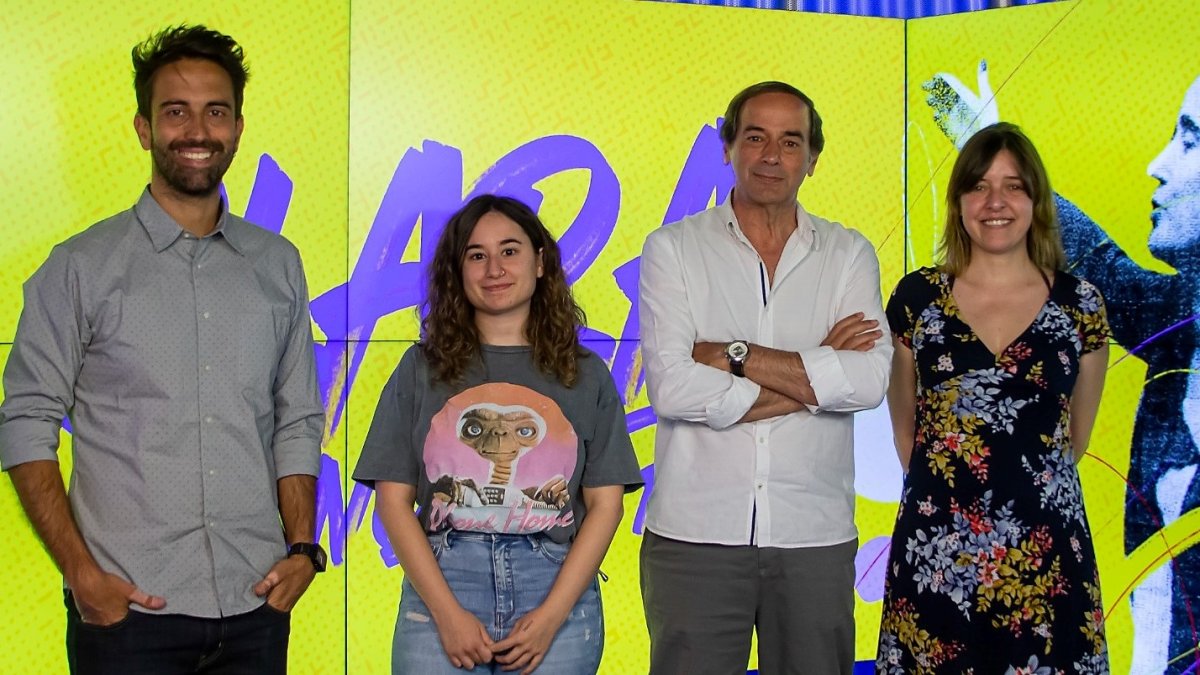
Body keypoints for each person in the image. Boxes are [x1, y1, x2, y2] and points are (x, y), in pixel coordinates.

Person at [0, 24, 326, 675]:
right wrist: (82, 574)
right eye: (175, 111)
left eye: (215, 111)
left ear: (236, 126)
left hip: (257, 604)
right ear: (144, 128)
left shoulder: (278, 265)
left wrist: (301, 549)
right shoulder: (80, 267)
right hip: (127, 616)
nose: (197, 130)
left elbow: (297, 418)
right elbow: (25, 422)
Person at [925, 64, 1200, 674]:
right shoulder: (1179, 318)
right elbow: (1100, 265)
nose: (1159, 163)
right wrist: (993, 144)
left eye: (1189, 138)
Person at [637, 81, 892, 674]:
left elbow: (867, 381)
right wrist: (813, 376)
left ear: (813, 158)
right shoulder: (672, 249)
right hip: (694, 536)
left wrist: (735, 354)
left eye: (790, 141)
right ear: (728, 147)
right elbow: (672, 388)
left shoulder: (849, 254)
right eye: (755, 137)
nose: (771, 156)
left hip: (814, 537)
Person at [353, 194, 642, 674]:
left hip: (555, 584)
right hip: (444, 581)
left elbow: (607, 504)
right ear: (457, 270)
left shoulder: (584, 374)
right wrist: (447, 616)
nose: (494, 268)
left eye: (510, 251)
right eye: (476, 254)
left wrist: (552, 617)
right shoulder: (420, 370)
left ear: (541, 262)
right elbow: (392, 501)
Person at [875, 122, 1111, 673]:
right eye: (979, 186)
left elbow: (1073, 441)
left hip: (1047, 558)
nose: (995, 202)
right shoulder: (917, 299)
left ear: (1036, 200)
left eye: (1013, 186)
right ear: (958, 201)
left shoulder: (1081, 305)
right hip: (936, 556)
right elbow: (907, 434)